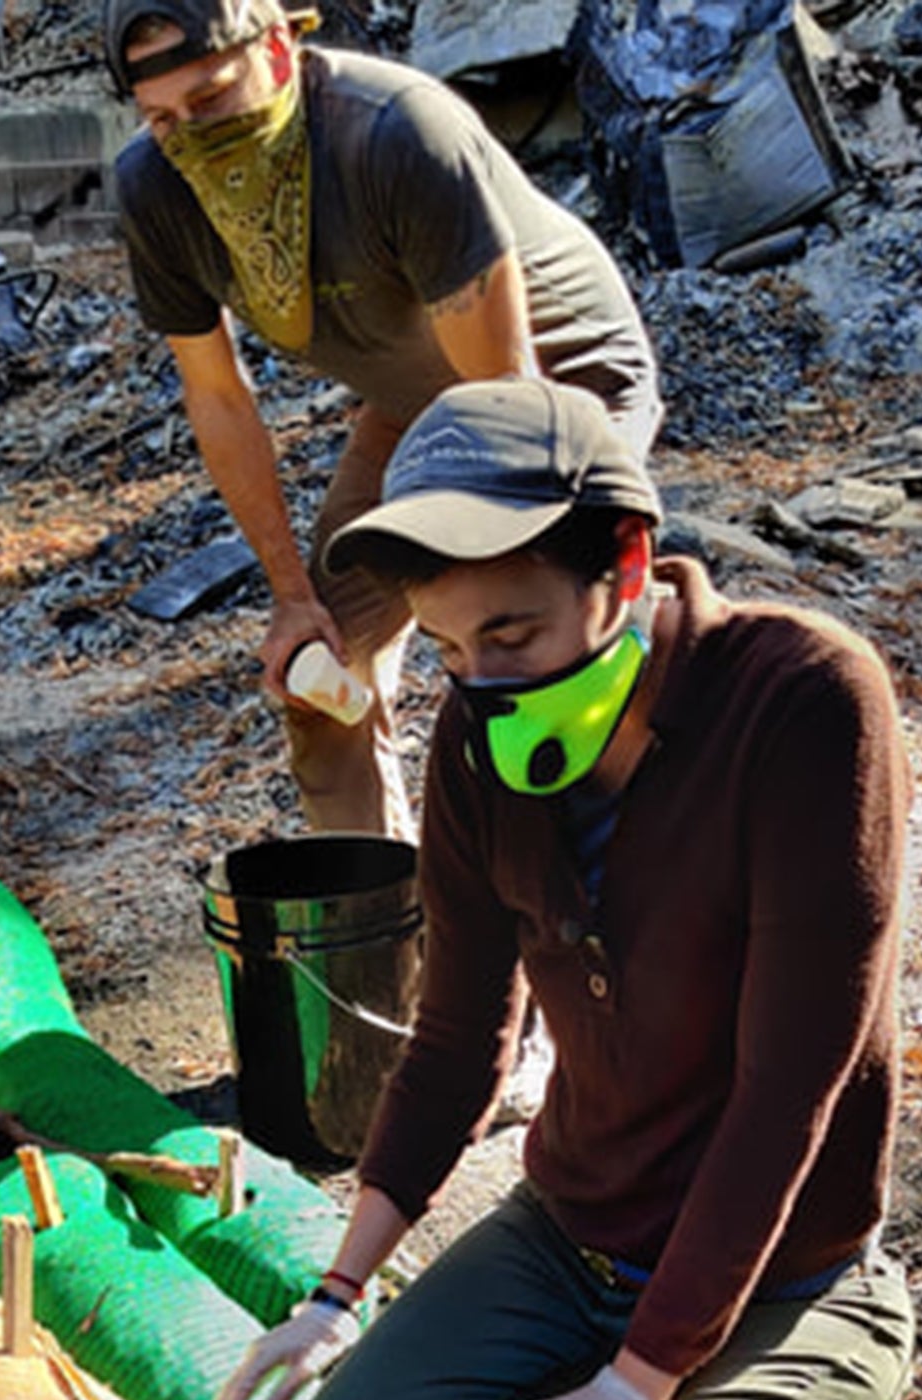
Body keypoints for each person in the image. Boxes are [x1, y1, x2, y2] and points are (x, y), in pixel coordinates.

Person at [197, 376, 917, 1400]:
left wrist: (632, 1388)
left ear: (627, 567)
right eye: (454, 648)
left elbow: (786, 1095)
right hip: (573, 1234)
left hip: (789, 1280)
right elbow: (461, 1033)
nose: (481, 681)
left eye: (515, 636)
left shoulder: (806, 703)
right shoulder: (481, 747)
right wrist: (335, 1288)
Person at [102, 0, 662, 841]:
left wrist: (496, 584)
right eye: (162, 117)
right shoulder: (155, 187)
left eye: (213, 99)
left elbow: (508, 391)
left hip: (556, 385)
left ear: (282, 48)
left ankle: (612, 882)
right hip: (414, 400)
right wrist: (294, 598)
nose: (190, 133)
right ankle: (382, 946)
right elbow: (218, 397)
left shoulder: (397, 134)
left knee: (525, 644)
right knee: (319, 675)